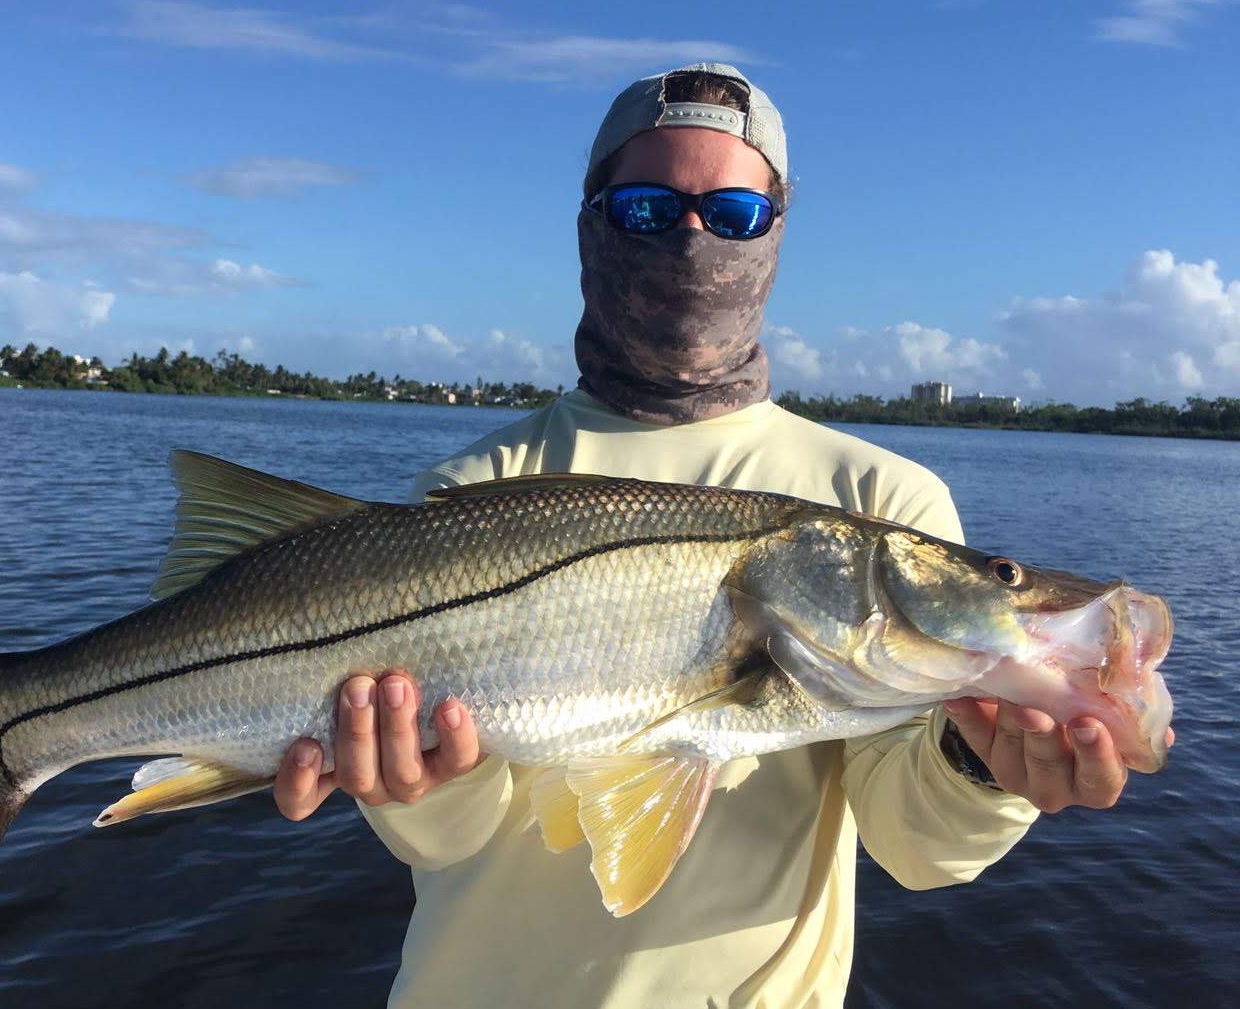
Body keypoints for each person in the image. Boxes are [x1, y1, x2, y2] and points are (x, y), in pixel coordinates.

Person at [271, 63, 1165, 1008]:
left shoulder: (881, 495)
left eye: (733, 211)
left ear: (775, 236)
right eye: (651, 209)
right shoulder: (478, 490)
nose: (694, 238)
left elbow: (917, 848)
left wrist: (980, 764)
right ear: (592, 227)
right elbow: (445, 842)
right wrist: (415, 781)